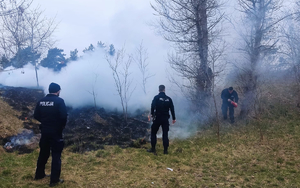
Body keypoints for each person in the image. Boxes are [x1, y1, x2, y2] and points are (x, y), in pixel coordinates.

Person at [34, 82, 68, 187]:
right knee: (56, 155)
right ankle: (54, 180)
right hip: (56, 132)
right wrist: (60, 126)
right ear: (57, 91)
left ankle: (39, 174)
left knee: (43, 153)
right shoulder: (59, 101)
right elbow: (63, 117)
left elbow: (36, 115)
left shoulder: (41, 101)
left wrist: (45, 122)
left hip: (44, 131)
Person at [147, 85, 176, 155]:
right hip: (165, 119)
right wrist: (174, 118)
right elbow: (172, 109)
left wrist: (152, 114)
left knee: (153, 132)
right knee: (165, 134)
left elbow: (152, 106)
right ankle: (165, 151)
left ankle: (153, 148)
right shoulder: (169, 99)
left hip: (157, 118)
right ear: (164, 89)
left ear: (159, 90)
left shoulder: (156, 98)